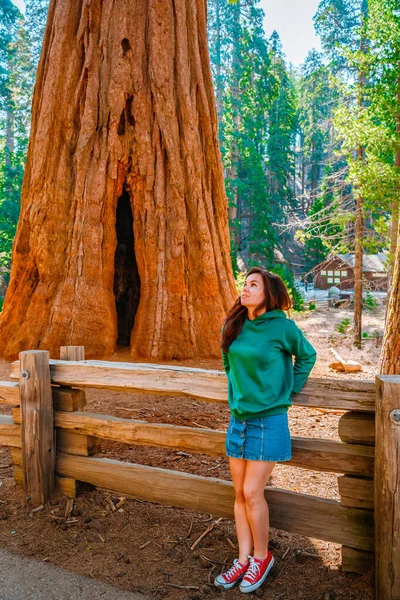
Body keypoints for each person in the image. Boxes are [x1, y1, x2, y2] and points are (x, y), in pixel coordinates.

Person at [214, 267, 316, 594]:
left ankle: (262, 556)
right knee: (239, 494)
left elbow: (307, 356)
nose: (245, 289)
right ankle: (242, 558)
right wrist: (235, 391)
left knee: (252, 492)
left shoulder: (282, 327)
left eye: (253, 285)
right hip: (238, 419)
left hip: (269, 421)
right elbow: (227, 360)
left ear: (268, 293)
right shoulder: (235, 324)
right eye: (244, 284)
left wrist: (286, 392)